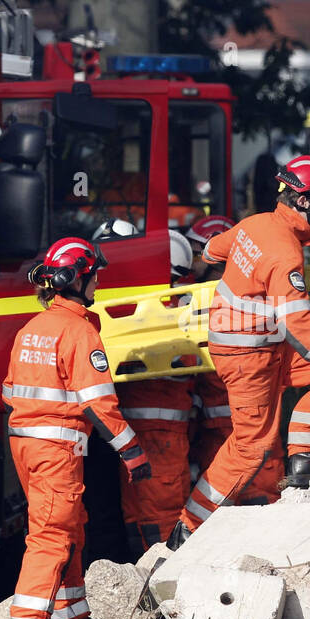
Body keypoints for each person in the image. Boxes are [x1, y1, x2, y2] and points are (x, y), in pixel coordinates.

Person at [171, 155, 310, 547]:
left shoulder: (255, 224)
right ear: (304, 202)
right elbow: (295, 321)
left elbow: (210, 252)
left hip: (256, 346)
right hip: (249, 356)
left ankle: (304, 467)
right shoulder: (285, 251)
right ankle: (188, 530)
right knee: (250, 447)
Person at [2, 237, 151, 619]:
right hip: (56, 447)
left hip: (28, 446)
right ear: (74, 279)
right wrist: (132, 452)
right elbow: (99, 404)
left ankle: (70, 618)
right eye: (93, 274)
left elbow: (11, 391)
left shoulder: (31, 329)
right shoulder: (79, 331)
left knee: (70, 528)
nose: (98, 279)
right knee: (51, 536)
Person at [184, 214, 285, 504]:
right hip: (222, 436)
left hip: (248, 433)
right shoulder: (208, 296)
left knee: (257, 510)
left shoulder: (233, 301)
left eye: (196, 252)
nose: (194, 261)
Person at [115, 231, 197, 556]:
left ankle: (160, 579)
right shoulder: (171, 305)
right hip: (150, 433)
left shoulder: (169, 307)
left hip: (158, 434)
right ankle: (148, 578)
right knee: (142, 514)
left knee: (156, 515)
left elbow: (187, 359)